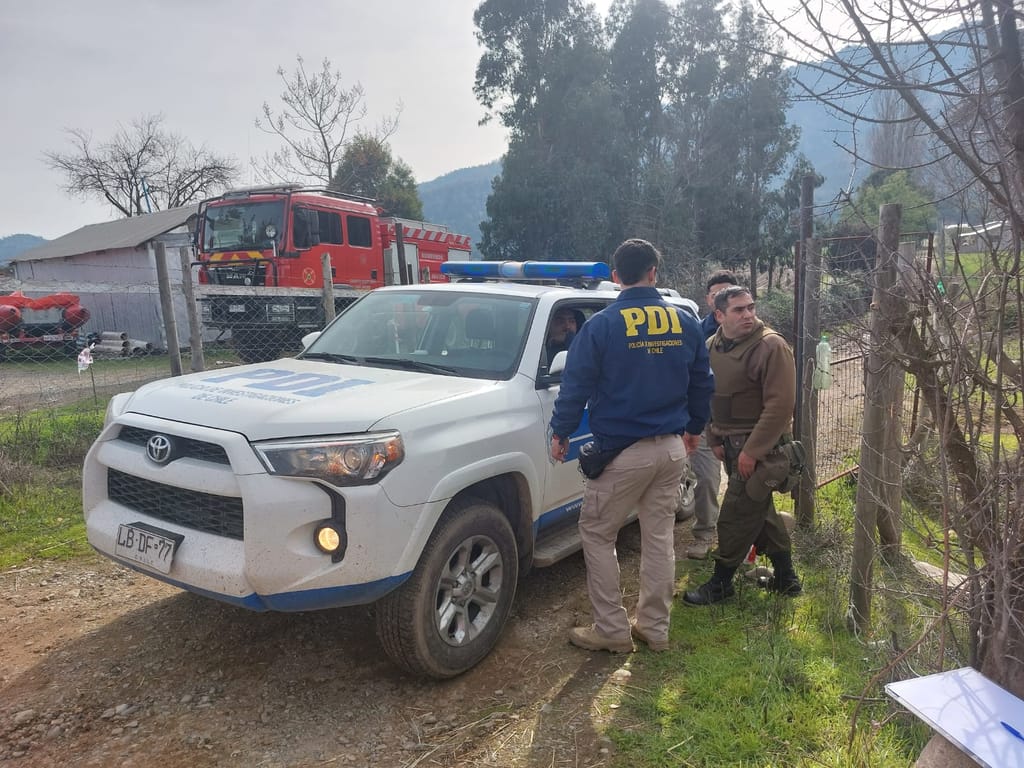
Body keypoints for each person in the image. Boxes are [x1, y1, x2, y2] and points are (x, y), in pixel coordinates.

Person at [550, 238, 713, 652]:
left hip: (623, 452)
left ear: (615, 275)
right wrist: (694, 426)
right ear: (654, 273)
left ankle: (611, 630)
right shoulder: (685, 321)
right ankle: (654, 628)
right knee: (658, 537)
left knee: (598, 534)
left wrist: (561, 431)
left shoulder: (602, 325)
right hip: (672, 449)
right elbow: (702, 382)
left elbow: (576, 385)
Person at [683, 285, 802, 605]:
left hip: (762, 451)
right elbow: (709, 396)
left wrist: (753, 451)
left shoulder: (771, 346)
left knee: (734, 514)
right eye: (739, 310)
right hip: (731, 446)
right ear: (719, 315)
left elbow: (780, 406)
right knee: (760, 513)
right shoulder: (711, 345)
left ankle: (722, 582)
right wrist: (714, 437)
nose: (748, 314)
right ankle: (787, 579)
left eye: (751, 307)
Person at [684, 270, 739, 559]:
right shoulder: (694, 332)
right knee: (705, 480)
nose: (721, 296)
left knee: (744, 480)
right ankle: (705, 534)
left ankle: (741, 537)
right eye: (716, 292)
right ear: (708, 299)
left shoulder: (752, 333)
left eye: (727, 291)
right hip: (706, 420)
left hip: (742, 422)